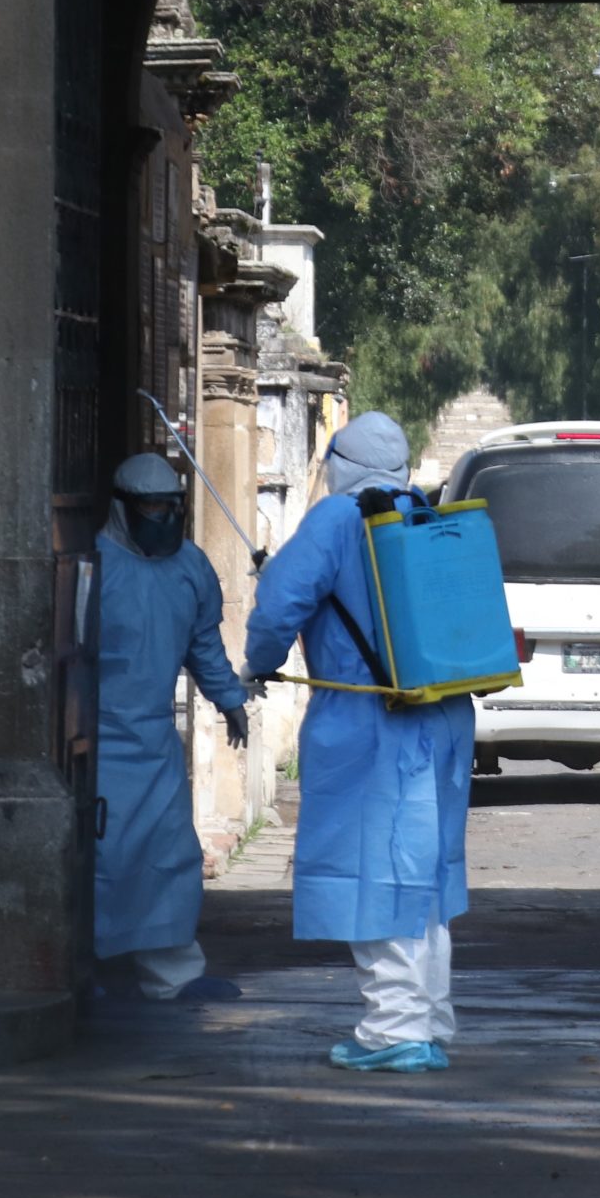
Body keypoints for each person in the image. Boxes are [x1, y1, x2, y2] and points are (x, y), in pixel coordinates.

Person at [244, 412, 474, 1074]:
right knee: (424, 877)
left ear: (340, 462)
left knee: (378, 872)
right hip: (443, 719)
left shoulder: (337, 519)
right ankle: (425, 1020)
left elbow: (279, 606)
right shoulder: (429, 517)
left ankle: (392, 1029)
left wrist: (259, 662)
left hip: (367, 723)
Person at [95, 452, 253, 1002]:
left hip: (155, 742)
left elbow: (203, 645)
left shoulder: (191, 568)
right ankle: (84, 971)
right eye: (151, 508)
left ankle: (173, 976)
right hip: (97, 743)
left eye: (171, 508)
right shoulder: (91, 566)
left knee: (171, 856)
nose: (162, 518)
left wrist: (229, 698)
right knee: (102, 860)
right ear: (123, 508)